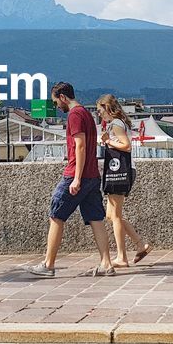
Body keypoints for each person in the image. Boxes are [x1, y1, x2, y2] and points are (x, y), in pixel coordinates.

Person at [22, 81, 116, 278]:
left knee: (56, 215)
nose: (57, 106)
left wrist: (76, 179)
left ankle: (48, 264)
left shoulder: (74, 115)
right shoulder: (87, 114)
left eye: (57, 102)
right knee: (96, 219)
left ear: (63, 97)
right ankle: (106, 263)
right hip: (92, 175)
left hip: (76, 173)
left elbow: (79, 146)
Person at [96, 94, 151, 268]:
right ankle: (140, 244)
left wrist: (108, 141)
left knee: (116, 216)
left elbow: (126, 146)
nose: (99, 114)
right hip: (122, 171)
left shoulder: (116, 124)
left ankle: (122, 256)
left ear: (107, 108)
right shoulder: (118, 123)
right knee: (111, 215)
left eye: (100, 110)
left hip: (120, 172)